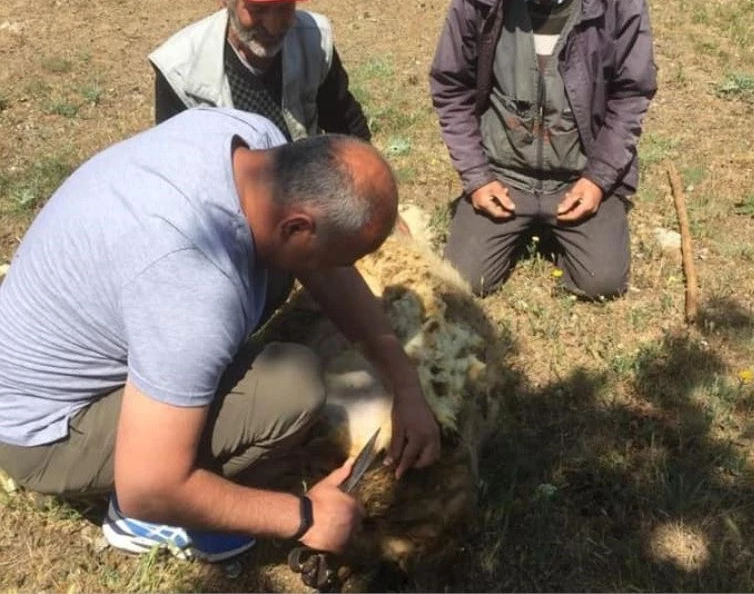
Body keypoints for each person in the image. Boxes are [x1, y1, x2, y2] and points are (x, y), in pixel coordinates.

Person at [0, 108, 439, 562]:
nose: (338, 270)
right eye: (337, 257)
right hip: (46, 434)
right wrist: (305, 515)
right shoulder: (192, 281)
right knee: (290, 388)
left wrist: (404, 382)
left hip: (55, 346)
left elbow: (328, 273)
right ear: (297, 227)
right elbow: (148, 484)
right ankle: (146, 523)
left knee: (278, 272)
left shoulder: (254, 140)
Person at [430, 0, 657, 300]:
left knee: (602, 283)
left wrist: (597, 180)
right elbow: (450, 85)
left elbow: (632, 94)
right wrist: (477, 178)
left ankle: (579, 221)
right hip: (504, 173)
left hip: (579, 173)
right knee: (465, 281)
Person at [149, 0, 370, 142]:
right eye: (258, 9)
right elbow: (176, 163)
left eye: (285, 7)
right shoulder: (180, 69)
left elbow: (346, 126)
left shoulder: (314, 40)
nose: (273, 26)